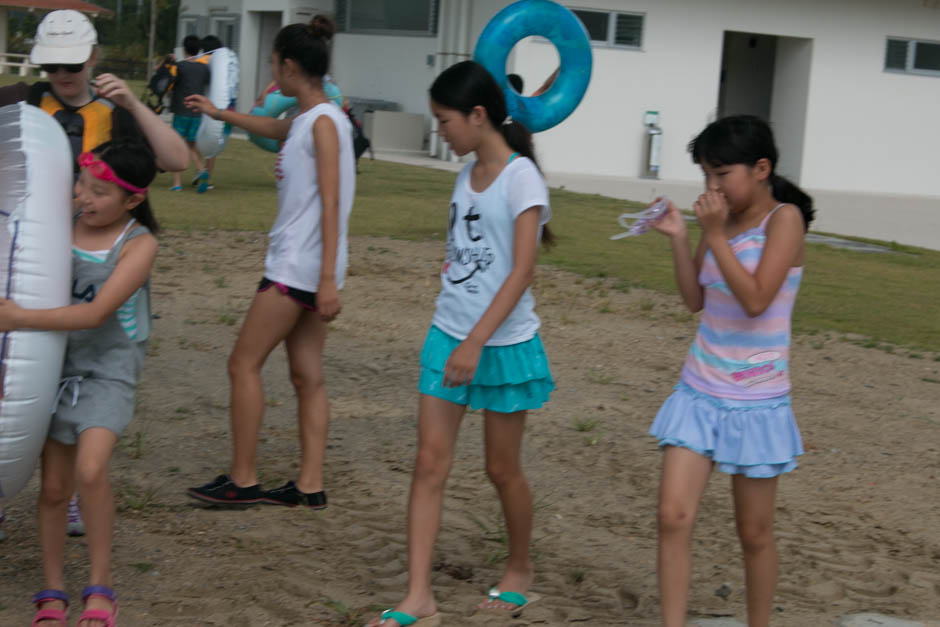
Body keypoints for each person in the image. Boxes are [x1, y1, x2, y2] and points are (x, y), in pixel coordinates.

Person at [365, 60, 555, 627]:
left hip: (501, 345)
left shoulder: (523, 178)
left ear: (478, 115)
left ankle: (519, 570)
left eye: (445, 122)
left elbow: (522, 271)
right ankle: (418, 597)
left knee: (502, 470)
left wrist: (475, 342)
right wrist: (456, 324)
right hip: (447, 334)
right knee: (429, 464)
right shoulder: (465, 172)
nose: (440, 132)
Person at [648, 114, 813, 627]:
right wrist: (681, 237)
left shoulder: (784, 221)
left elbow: (758, 300)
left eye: (722, 175)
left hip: (757, 403)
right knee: (672, 516)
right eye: (705, 176)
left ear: (761, 168)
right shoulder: (717, 223)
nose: (711, 187)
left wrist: (714, 234)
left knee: (754, 534)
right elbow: (695, 300)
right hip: (699, 390)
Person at [185, 18, 354, 509]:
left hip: (297, 268)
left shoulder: (322, 124)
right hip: (310, 267)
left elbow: (330, 200)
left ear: (290, 65)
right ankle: (309, 485)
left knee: (242, 363)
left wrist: (325, 281)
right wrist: (222, 114)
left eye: (272, 62)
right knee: (307, 376)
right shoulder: (318, 117)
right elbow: (277, 128)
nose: (269, 70)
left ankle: (243, 478)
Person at [0, 139, 159, 627]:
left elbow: (94, 314)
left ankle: (100, 584)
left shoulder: (139, 244)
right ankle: (51, 588)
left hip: (108, 370)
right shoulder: (58, 227)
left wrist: (17, 319)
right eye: (82, 185)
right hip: (52, 366)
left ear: (132, 200)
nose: (84, 198)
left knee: (90, 472)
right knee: (52, 488)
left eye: (100, 192)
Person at [0, 10, 188, 174]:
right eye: (51, 66)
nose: (61, 73)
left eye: (72, 65)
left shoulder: (117, 113)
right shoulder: (22, 98)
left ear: (92, 57)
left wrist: (134, 105)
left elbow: (177, 161)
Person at [169, 35, 210, 192]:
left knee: (176, 146)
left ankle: (177, 183)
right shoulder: (204, 68)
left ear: (184, 49)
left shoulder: (180, 66)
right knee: (191, 146)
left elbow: (170, 82)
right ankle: (201, 170)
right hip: (196, 112)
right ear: (198, 50)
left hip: (180, 110)